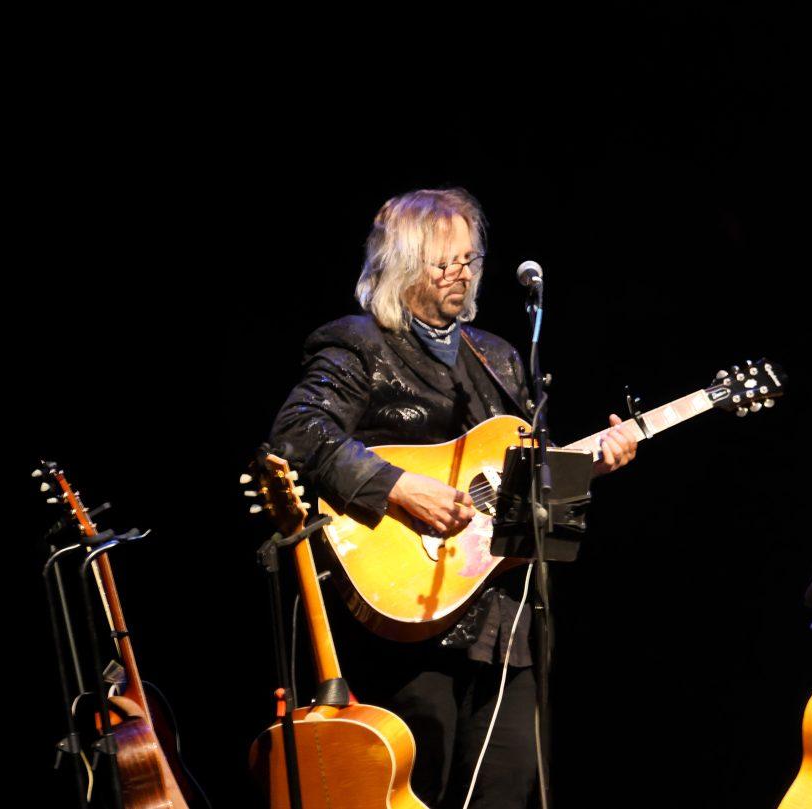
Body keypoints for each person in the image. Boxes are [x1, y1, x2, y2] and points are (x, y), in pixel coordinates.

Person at [270, 187, 636, 808]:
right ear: (401, 264)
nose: (459, 275)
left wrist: (592, 466)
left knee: (509, 787)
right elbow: (296, 434)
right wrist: (399, 487)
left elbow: (523, 484)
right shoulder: (358, 344)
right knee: (419, 789)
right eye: (442, 262)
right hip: (409, 616)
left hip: (506, 617)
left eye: (469, 260)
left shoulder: (497, 358)